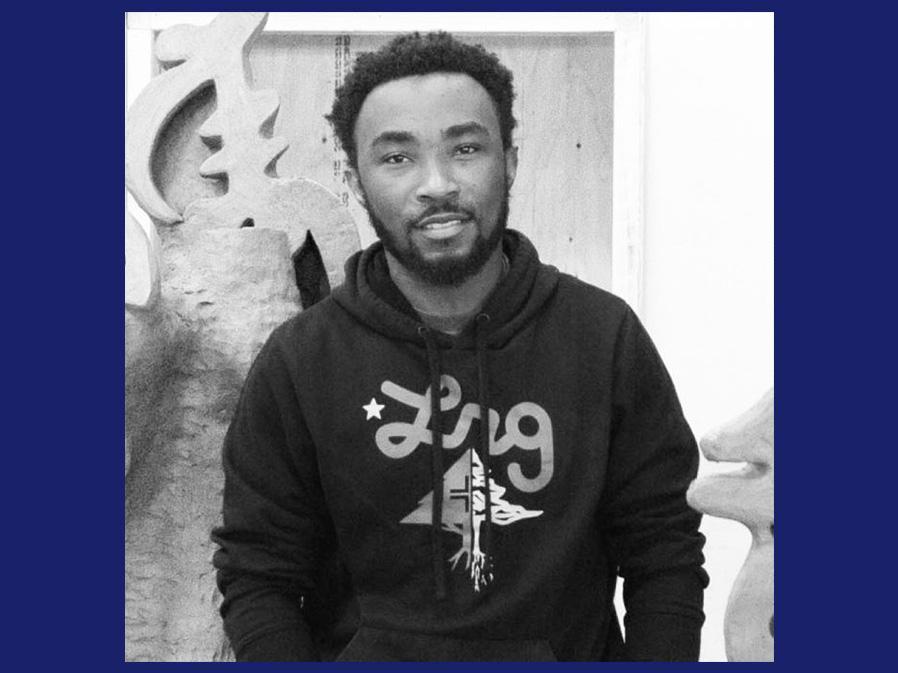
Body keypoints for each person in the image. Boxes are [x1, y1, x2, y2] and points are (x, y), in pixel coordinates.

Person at [211, 31, 708, 662]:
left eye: (466, 148)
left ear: (511, 160)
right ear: (358, 180)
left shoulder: (603, 337)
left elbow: (664, 555)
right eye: (397, 158)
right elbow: (260, 575)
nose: (436, 184)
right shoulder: (300, 360)